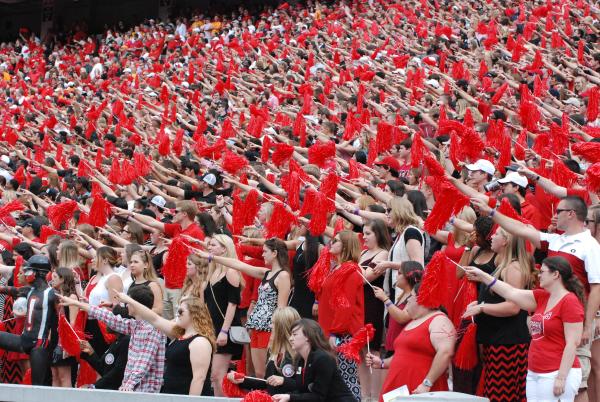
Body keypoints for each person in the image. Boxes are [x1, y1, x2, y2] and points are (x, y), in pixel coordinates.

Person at [472, 195, 600, 400]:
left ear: (571, 214)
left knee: (578, 385)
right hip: (548, 313)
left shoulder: (590, 246)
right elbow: (519, 229)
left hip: (573, 318)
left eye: (558, 211)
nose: (554, 215)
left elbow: (596, 288)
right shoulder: (556, 239)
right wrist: (493, 213)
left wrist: (587, 325)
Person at [465, 256, 585, 402]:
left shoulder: (569, 301)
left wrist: (561, 377)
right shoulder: (542, 297)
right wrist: (484, 276)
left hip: (555, 372)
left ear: (556, 274)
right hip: (535, 371)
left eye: (543, 272)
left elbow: (573, 343)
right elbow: (511, 293)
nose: (539, 275)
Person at [199, 237, 291, 379]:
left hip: (269, 328)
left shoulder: (283, 275)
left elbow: (281, 309)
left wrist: (275, 334)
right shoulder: (266, 273)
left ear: (275, 253)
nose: (262, 254)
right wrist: (212, 257)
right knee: (258, 372)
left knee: (266, 371)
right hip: (256, 325)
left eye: (265, 251)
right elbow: (238, 264)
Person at [59, 285, 166, 392]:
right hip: (132, 391)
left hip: (145, 393)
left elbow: (143, 363)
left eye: (127, 303)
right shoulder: (135, 326)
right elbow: (109, 318)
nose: (126, 306)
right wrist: (77, 303)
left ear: (136, 305)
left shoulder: (152, 330)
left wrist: (127, 386)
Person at [112, 291, 215, 396]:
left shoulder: (200, 342)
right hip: (171, 395)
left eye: (180, 311)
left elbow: (199, 379)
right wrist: (129, 300)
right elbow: (154, 319)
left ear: (194, 314)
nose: (177, 314)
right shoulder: (179, 334)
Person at [366, 281, 456, 399]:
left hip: (420, 388)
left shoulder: (439, 320)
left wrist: (427, 383)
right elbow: (403, 355)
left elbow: (446, 352)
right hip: (398, 387)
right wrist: (382, 363)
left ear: (421, 298)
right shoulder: (414, 321)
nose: (408, 300)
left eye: (411, 296)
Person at [315, 230, 365, 400]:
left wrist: (336, 333)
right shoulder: (337, 267)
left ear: (345, 246)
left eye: (335, 240)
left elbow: (345, 305)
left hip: (344, 334)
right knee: (336, 378)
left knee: (347, 378)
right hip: (332, 330)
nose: (331, 242)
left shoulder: (351, 270)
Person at [0, 255, 59, 385]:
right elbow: (10, 290)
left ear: (38, 273)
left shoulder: (52, 294)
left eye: (28, 271)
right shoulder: (29, 290)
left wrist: (57, 346)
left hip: (39, 345)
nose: (25, 274)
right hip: (24, 340)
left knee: (37, 385)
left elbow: (61, 321)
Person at [272, 318, 356, 402]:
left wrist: (289, 397)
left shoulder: (323, 359)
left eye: (294, 334)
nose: (290, 338)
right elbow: (301, 388)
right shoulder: (300, 359)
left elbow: (318, 397)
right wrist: (282, 395)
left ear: (308, 337)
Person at [203, 234, 243, 396]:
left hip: (225, 327)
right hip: (212, 326)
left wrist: (224, 331)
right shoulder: (212, 272)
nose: (209, 247)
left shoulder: (231, 272)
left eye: (213, 245)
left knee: (217, 375)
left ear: (224, 248)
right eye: (209, 244)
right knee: (215, 376)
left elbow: (233, 303)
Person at [227, 306, 301, 394]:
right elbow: (267, 383)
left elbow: (301, 387)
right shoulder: (274, 352)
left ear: (282, 327)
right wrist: (243, 380)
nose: (270, 326)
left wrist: (284, 381)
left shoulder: (298, 355)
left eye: (273, 323)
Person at [79, 305, 131, 390]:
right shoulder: (116, 341)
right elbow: (104, 370)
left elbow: (117, 373)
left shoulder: (126, 341)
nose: (105, 322)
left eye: (110, 319)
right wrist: (91, 353)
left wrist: (94, 386)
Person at [50, 267, 79, 387]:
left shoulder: (72, 297)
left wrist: (66, 345)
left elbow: (73, 322)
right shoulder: (56, 296)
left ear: (62, 279)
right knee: (54, 375)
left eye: (55, 277)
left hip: (65, 340)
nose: (52, 280)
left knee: (64, 376)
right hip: (55, 338)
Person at [127, 250, 163, 314]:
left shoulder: (152, 285)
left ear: (146, 265)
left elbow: (158, 310)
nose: (132, 265)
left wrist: (137, 311)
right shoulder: (131, 284)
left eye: (136, 262)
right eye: (131, 262)